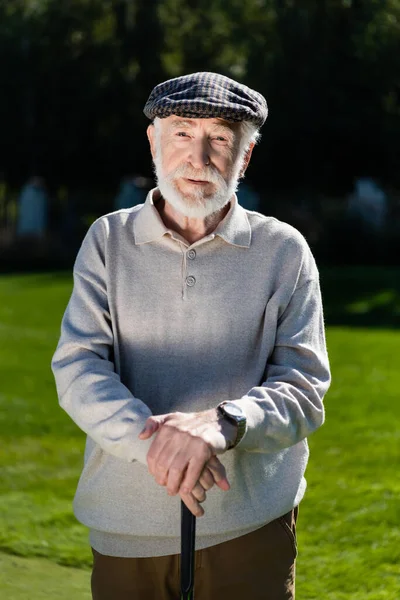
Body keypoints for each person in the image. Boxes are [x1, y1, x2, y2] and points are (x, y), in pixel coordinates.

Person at [51, 72, 331, 600]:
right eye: (182, 132)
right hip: (127, 527)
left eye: (221, 139)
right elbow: (79, 368)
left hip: (250, 528)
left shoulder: (284, 250)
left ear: (244, 157)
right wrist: (163, 443)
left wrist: (220, 425)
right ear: (154, 141)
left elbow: (304, 389)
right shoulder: (107, 239)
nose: (198, 156)